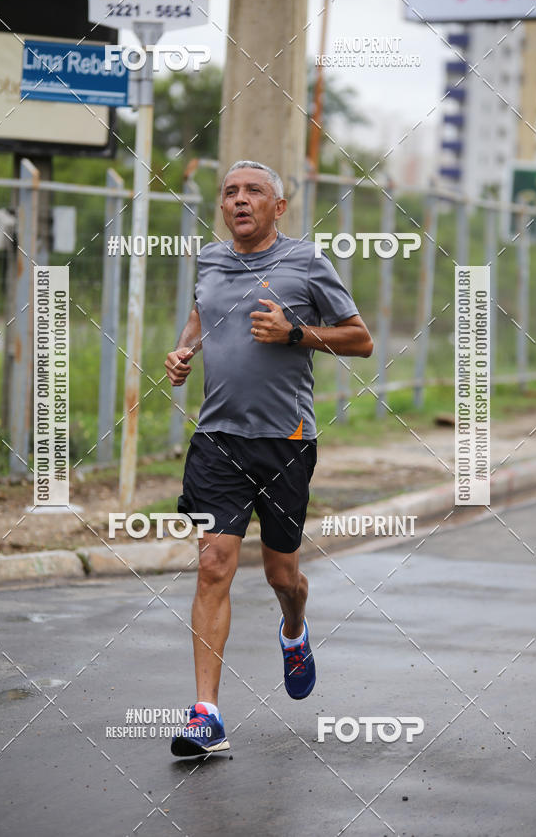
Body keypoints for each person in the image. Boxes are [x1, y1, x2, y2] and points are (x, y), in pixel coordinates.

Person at [165, 160, 373, 756]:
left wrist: (294, 333)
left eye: (254, 190)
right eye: (229, 192)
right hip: (217, 440)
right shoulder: (208, 260)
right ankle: (206, 714)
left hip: (286, 441)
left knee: (282, 575)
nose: (239, 200)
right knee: (212, 565)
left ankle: (293, 628)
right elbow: (202, 317)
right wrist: (184, 352)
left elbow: (361, 339)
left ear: (278, 207)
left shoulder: (307, 263)